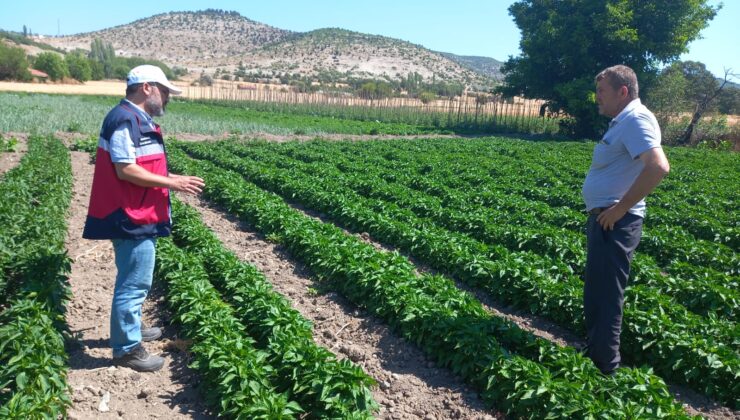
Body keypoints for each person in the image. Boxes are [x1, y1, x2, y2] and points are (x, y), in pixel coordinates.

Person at [83, 65, 205, 372]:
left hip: (138, 212)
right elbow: (126, 169)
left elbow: (141, 166)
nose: (167, 99)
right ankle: (126, 348)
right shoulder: (125, 119)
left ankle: (131, 329)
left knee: (135, 279)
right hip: (130, 215)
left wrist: (172, 176)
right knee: (133, 284)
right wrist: (173, 183)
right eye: (165, 92)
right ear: (147, 87)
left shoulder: (136, 119)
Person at [581, 65, 670, 375]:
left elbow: (658, 167)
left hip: (616, 222)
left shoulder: (636, 119)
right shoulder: (622, 121)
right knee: (596, 292)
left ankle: (606, 368)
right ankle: (595, 353)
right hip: (606, 220)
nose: (597, 98)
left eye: (601, 91)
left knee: (607, 296)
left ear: (623, 91)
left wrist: (620, 209)